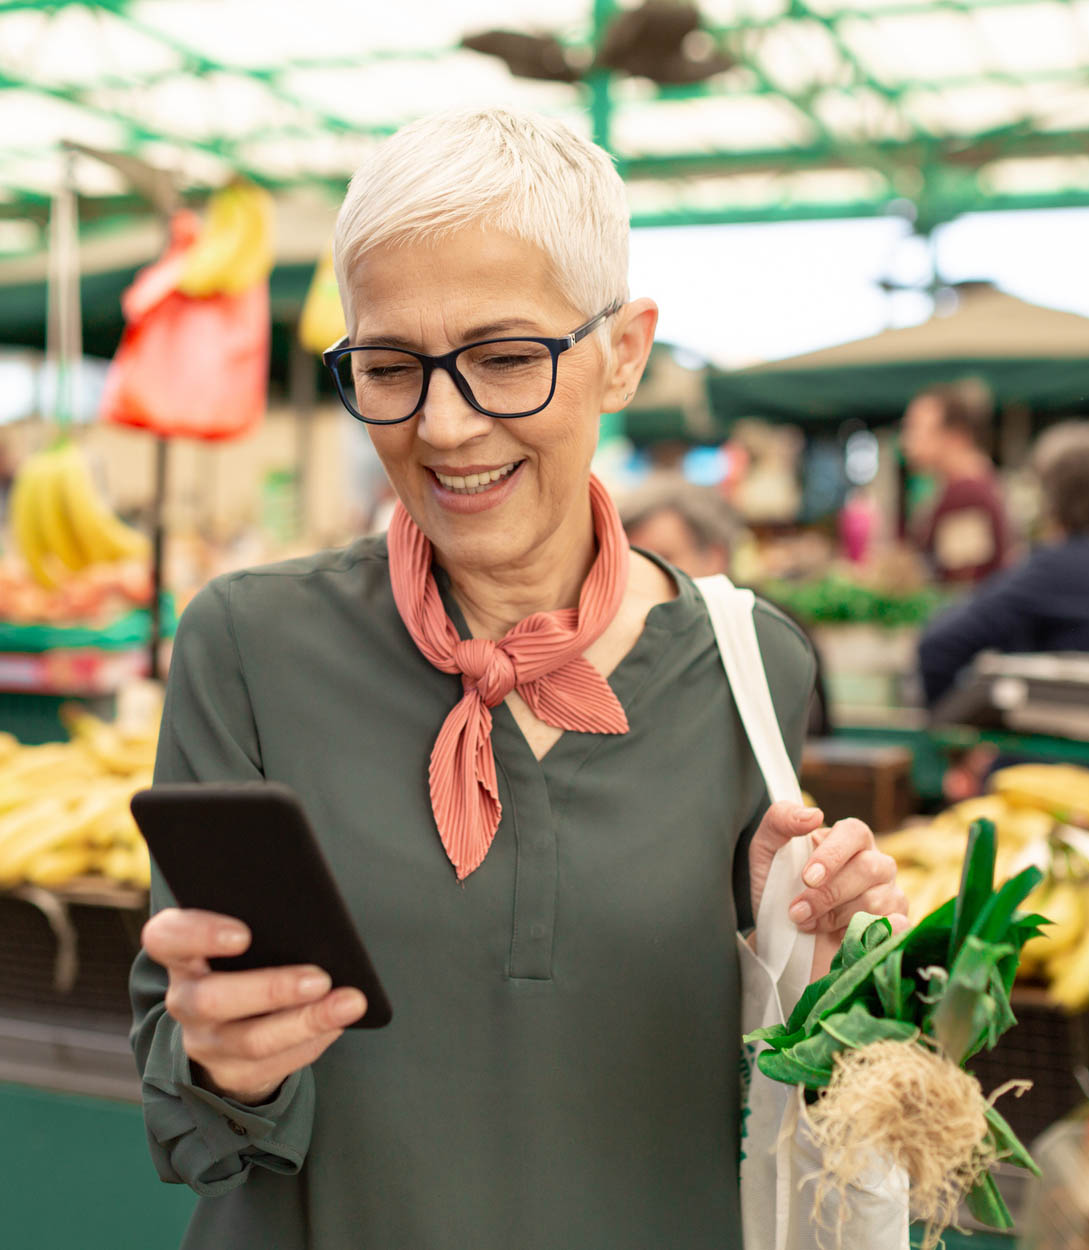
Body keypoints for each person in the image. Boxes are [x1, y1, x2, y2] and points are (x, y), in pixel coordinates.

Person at [129, 109, 905, 1250]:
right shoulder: (247, 644)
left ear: (622, 351)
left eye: (504, 358)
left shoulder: (753, 665)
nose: (443, 425)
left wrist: (823, 962)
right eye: (390, 366)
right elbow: (189, 1109)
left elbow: (791, 1070)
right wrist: (217, 1056)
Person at [917, 419, 1089, 707]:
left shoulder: (1063, 567)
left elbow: (939, 646)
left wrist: (955, 738)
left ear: (1060, 496)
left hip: (1074, 748)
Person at [619, 472, 833, 735]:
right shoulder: (623, 639)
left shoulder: (766, 633)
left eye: (662, 559)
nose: (641, 575)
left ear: (714, 557)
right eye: (631, 561)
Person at [901, 378, 1011, 585]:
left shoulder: (966, 493)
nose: (907, 440)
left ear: (956, 435)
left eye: (916, 428)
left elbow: (963, 581)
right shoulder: (973, 483)